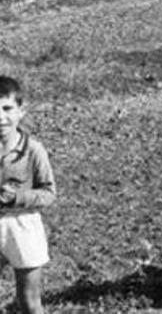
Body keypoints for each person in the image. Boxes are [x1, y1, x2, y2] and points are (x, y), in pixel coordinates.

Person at [0, 76, 56, 314]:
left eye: (7, 108)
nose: (0, 117)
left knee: (29, 300)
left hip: (23, 225)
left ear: (21, 111)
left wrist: (17, 198)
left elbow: (48, 193)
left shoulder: (33, 150)